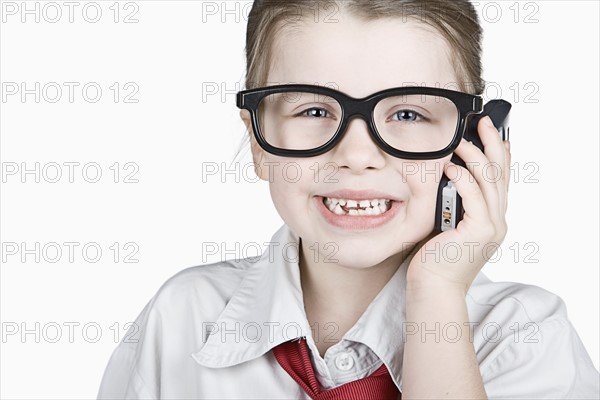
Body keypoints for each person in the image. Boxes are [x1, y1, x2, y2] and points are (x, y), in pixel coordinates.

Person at [97, 1, 600, 398]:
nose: (357, 155)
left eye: (408, 115)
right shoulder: (183, 316)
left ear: (476, 143)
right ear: (257, 140)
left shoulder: (526, 338)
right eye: (314, 109)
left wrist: (439, 292)